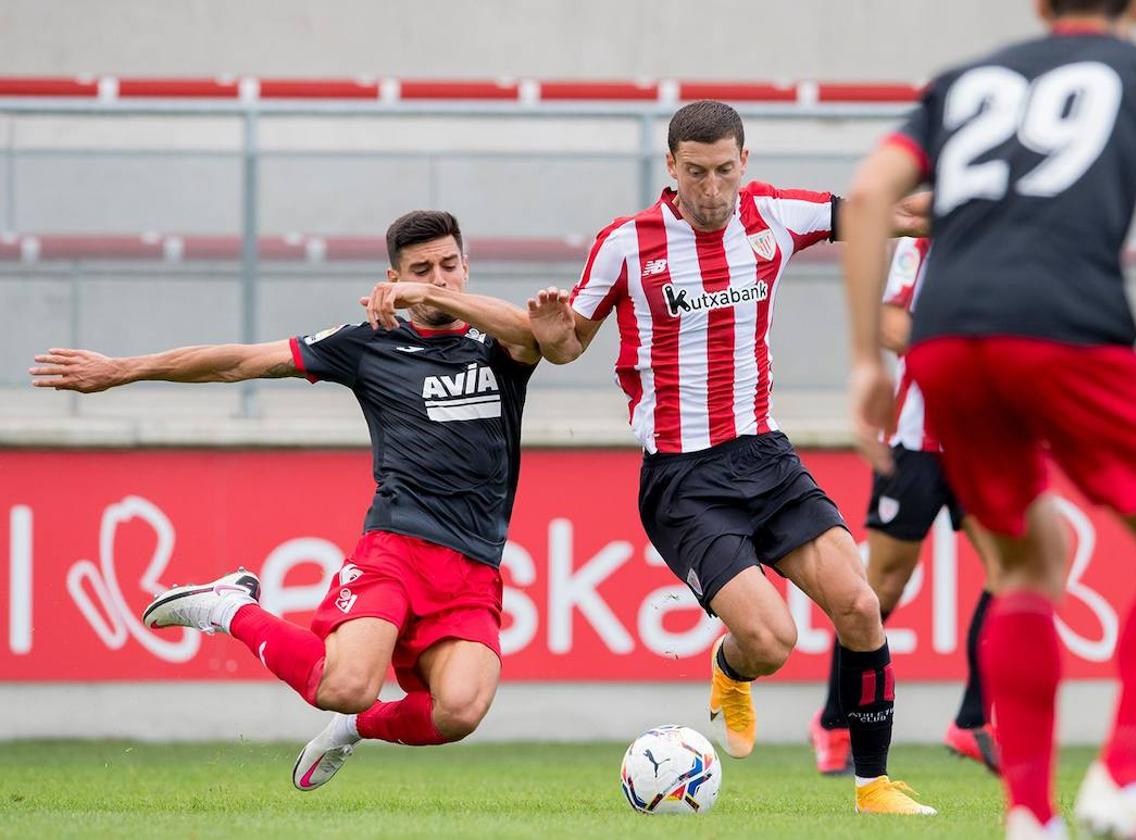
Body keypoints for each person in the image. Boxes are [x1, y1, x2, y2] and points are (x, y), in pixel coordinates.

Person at [841, 0, 1136, 836]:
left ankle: (1030, 816)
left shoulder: (964, 81)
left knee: (1028, 566)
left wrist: (866, 358)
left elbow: (867, 196)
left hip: (947, 344)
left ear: (1040, 7)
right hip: (1070, 328)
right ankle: (1123, 775)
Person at [30, 210, 541, 792]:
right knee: (344, 682)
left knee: (460, 712)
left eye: (449, 266)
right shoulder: (369, 344)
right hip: (397, 546)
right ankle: (228, 608)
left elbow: (535, 334)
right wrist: (125, 369)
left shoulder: (500, 344)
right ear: (390, 277)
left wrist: (426, 292)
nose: (438, 279)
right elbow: (241, 361)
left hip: (474, 565)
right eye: (420, 270)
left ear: (466, 266)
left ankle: (355, 727)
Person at [526, 99, 936, 815]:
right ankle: (730, 666)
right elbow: (566, 347)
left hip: (767, 457)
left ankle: (873, 787)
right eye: (695, 174)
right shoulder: (626, 243)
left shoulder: (777, 214)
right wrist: (553, 328)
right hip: (684, 478)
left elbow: (892, 216)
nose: (710, 191)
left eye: (723, 172)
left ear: (744, 162)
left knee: (861, 607)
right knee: (771, 643)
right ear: (671, 168)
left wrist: (997, 208)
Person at [811, 237, 999, 776]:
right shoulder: (924, 243)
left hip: (983, 448)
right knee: (879, 591)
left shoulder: (1019, 238)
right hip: (917, 446)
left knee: (1015, 574)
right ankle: (834, 721)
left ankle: (971, 721)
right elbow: (892, 325)